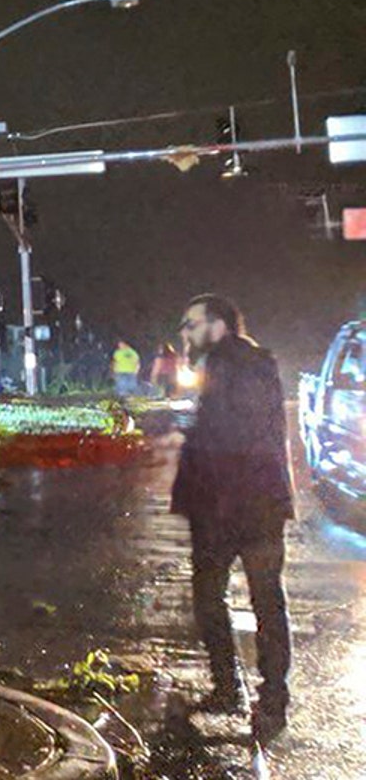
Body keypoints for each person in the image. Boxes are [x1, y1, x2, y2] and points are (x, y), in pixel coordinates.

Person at [170, 294, 294, 743]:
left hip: (230, 507)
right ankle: (267, 696)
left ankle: (237, 690)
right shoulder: (251, 363)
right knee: (264, 602)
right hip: (258, 505)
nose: (186, 332)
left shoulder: (228, 365)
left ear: (218, 324)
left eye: (192, 323)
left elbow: (227, 437)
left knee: (215, 597)